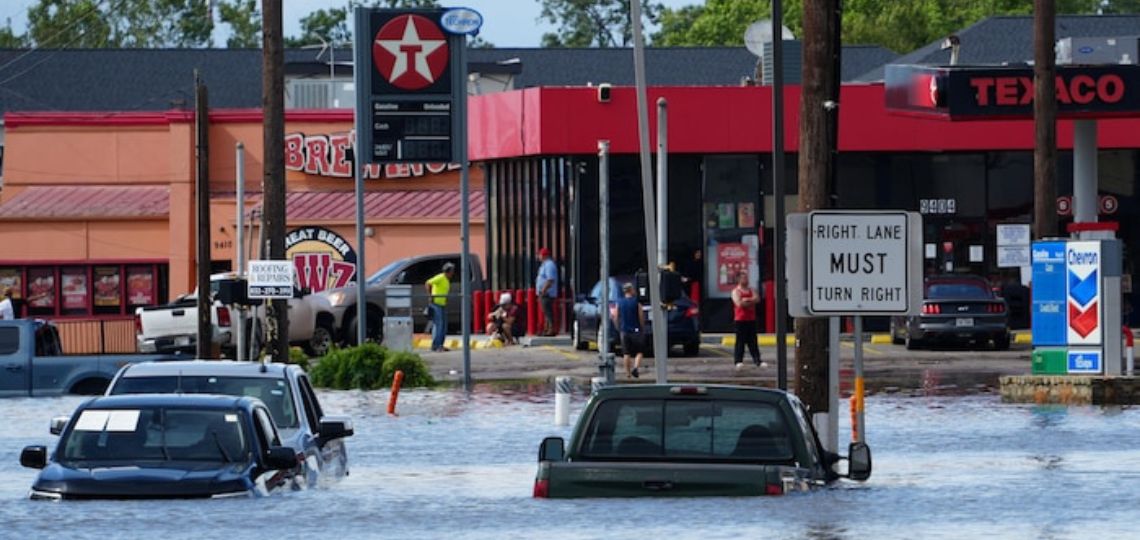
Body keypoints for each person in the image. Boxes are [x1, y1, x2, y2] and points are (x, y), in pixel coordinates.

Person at [612, 282, 646, 379]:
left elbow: (615, 316)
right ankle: (635, 367)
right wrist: (642, 327)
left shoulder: (619, 302)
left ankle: (628, 374)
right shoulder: (636, 302)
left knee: (626, 353)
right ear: (631, 290)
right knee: (639, 351)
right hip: (636, 330)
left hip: (624, 331)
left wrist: (618, 327)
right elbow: (641, 316)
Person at [731, 272, 762, 370]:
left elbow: (757, 299)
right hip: (740, 319)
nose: (746, 280)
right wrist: (750, 301)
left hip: (751, 319)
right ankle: (738, 360)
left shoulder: (751, 290)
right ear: (738, 280)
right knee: (740, 341)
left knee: (753, 341)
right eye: (743, 278)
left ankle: (757, 360)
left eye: (746, 278)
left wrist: (746, 300)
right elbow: (739, 303)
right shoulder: (736, 291)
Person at [425, 262, 456, 352]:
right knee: (438, 325)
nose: (453, 273)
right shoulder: (440, 277)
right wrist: (430, 296)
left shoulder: (446, 279)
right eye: (452, 271)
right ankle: (436, 345)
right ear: (448, 271)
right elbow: (428, 283)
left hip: (442, 304)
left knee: (444, 326)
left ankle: (440, 344)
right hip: (436, 304)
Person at [535, 247, 559, 336]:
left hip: (547, 293)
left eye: (540, 255)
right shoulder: (544, 265)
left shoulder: (549, 265)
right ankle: (546, 329)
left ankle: (551, 329)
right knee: (545, 312)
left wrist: (543, 290)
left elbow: (550, 280)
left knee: (548, 312)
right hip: (543, 293)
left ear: (544, 255)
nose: (539, 257)